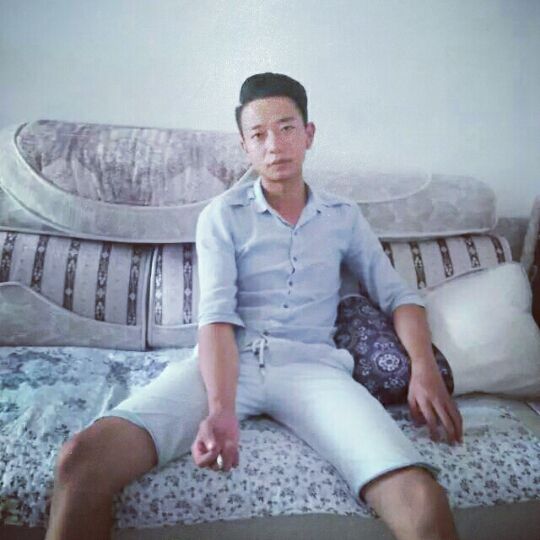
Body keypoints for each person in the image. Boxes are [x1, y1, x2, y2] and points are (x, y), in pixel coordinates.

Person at [45, 72, 463, 540]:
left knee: (422, 500)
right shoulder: (222, 215)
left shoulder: (343, 217)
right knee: (81, 461)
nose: (274, 146)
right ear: (244, 146)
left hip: (314, 369)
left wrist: (423, 368)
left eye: (286, 129)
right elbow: (216, 319)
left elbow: (398, 296)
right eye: (259, 135)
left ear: (309, 134)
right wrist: (220, 409)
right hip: (230, 362)